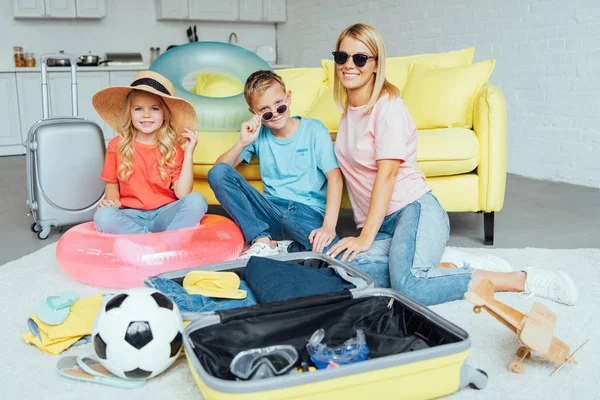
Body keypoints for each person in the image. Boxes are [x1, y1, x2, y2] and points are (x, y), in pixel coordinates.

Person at [326, 23, 578, 306]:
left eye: (360, 58)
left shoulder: (388, 107)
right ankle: (442, 262)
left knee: (411, 287)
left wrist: (364, 238)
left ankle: (519, 279)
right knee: (339, 269)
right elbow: (351, 142)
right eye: (341, 57)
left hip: (414, 211)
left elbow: (388, 175)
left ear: (376, 65)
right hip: (384, 224)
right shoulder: (350, 109)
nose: (349, 65)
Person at [207, 70, 343, 259]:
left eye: (279, 105)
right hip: (270, 210)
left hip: (305, 212)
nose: (276, 114)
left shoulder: (314, 129)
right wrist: (243, 142)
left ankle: (284, 247)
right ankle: (262, 239)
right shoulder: (258, 135)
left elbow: (335, 178)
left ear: (288, 98)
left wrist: (328, 226)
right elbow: (219, 171)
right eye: (265, 111)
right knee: (218, 173)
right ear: (254, 113)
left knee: (333, 255)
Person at [92, 71, 207, 235]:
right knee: (103, 216)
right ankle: (156, 242)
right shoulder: (116, 145)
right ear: (130, 113)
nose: (146, 115)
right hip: (131, 215)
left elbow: (183, 193)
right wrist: (111, 202)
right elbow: (111, 183)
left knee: (197, 200)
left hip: (165, 214)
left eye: (154, 109)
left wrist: (189, 153)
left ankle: (158, 242)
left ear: (165, 114)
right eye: (138, 109)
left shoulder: (173, 149)